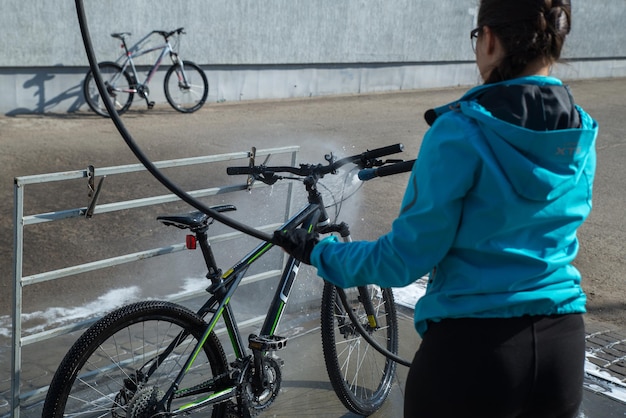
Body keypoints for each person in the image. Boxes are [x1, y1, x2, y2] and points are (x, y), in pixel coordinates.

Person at [274, 0, 598, 416]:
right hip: (562, 345)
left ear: (490, 40)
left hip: (475, 352)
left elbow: (403, 259)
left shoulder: (461, 130)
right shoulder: (580, 131)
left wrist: (317, 251)